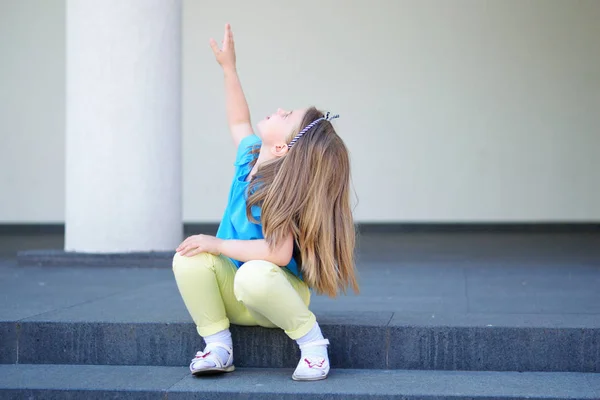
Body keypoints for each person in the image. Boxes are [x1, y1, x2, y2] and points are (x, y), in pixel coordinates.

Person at [172, 23, 359, 382]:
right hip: (237, 292)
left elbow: (278, 254)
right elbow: (239, 119)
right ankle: (218, 345)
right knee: (189, 257)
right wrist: (229, 68)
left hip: (275, 294)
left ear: (282, 148)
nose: (278, 108)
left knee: (255, 273)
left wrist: (219, 243)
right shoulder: (249, 157)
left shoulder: (279, 192)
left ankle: (313, 344)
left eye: (285, 115)